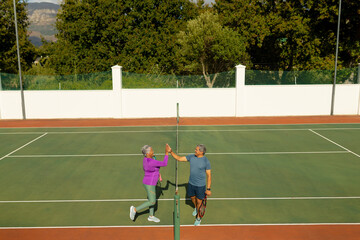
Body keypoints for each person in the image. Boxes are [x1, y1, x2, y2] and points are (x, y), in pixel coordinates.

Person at [169, 144, 211, 226]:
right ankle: (196, 207)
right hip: (191, 183)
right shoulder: (192, 157)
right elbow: (179, 158)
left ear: (201, 152)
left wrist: (208, 189)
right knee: (192, 197)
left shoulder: (206, 161)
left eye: (196, 150)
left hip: (200, 186)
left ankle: (198, 218)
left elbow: (209, 175)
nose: (195, 150)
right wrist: (171, 152)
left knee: (199, 202)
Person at [129, 144, 172, 222]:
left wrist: (158, 174)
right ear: (148, 153)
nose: (153, 151)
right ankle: (134, 209)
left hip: (147, 182)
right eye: (152, 150)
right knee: (152, 201)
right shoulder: (152, 161)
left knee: (150, 199)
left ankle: (151, 216)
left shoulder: (145, 159)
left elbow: (151, 169)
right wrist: (166, 153)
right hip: (150, 184)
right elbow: (164, 163)